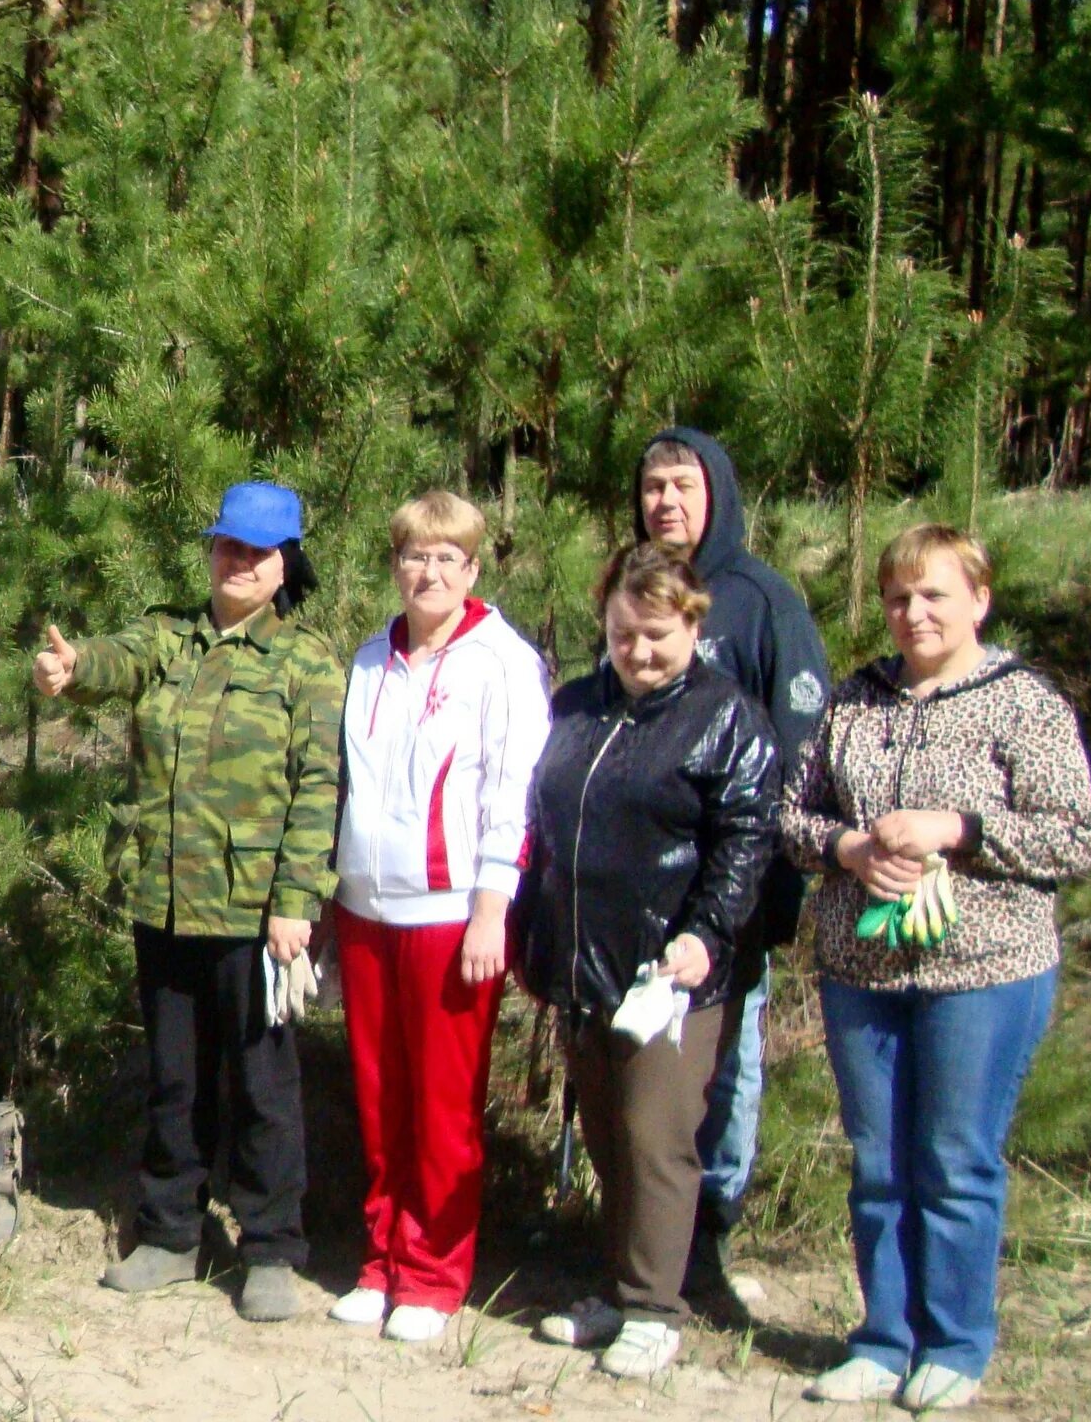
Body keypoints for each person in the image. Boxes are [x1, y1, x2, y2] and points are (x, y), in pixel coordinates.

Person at [781, 526, 1091, 1412]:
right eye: (897, 598)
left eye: (934, 596)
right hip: (861, 971)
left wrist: (957, 829)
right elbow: (792, 817)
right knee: (878, 1161)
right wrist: (847, 847)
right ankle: (884, 1338)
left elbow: (1072, 837)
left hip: (985, 971)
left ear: (978, 600)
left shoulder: (1023, 703)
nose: (913, 614)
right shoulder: (855, 701)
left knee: (954, 1159)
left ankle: (955, 1343)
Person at [35, 479, 344, 1324]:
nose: (237, 562)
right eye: (226, 546)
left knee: (262, 1085)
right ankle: (171, 1234)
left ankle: (272, 1247)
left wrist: (296, 900)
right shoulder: (173, 637)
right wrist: (72, 668)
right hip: (165, 898)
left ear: (285, 566)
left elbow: (319, 789)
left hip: (257, 914)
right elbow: (115, 660)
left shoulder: (306, 663)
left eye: (256, 551)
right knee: (176, 1079)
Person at [516, 542, 777, 1379]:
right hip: (583, 966)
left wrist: (705, 932)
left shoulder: (724, 716)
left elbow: (744, 841)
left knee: (655, 1136)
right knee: (606, 1136)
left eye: (659, 634)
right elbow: (546, 829)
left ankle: (657, 1310)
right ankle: (621, 1290)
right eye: (626, 633)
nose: (640, 651)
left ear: (693, 625)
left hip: (671, 973)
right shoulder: (579, 706)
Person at [328, 492, 551, 1342]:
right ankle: (381, 1259)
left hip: (451, 911)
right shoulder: (368, 659)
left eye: (446, 557)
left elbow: (511, 795)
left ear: (473, 569)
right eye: (414, 555)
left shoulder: (500, 662)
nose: (428, 572)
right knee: (381, 1097)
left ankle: (433, 1274)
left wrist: (492, 907)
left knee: (443, 1104)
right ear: (396, 564)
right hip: (363, 907)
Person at [635, 428, 830, 1299]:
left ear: (717, 492)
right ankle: (641, 1234)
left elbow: (800, 755)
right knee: (648, 1071)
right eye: (651, 487)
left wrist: (770, 891)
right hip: (639, 891)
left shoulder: (762, 603)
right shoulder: (634, 590)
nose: (665, 502)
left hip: (733, 892)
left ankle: (709, 1238)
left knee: (727, 1070)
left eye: (682, 485)